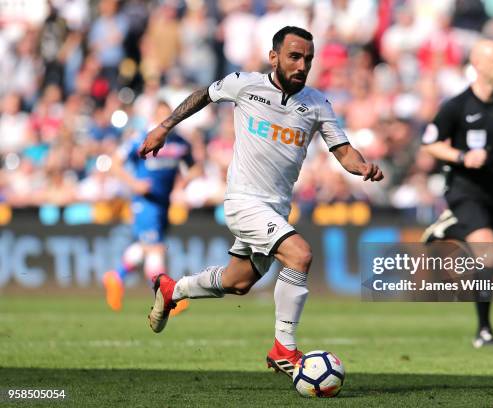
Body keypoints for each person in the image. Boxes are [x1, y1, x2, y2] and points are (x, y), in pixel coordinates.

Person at [138, 26, 384, 377]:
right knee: (300, 254)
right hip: (243, 202)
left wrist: (361, 166)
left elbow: (342, 150)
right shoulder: (245, 84)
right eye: (294, 57)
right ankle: (284, 348)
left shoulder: (316, 104)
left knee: (238, 282)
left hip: (276, 208)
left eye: (308, 59)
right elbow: (204, 95)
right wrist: (164, 126)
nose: (302, 65)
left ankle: (173, 288)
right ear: (274, 57)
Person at [420, 39, 493, 348]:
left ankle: (449, 228)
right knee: (488, 253)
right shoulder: (457, 106)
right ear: (478, 64)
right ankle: (484, 331)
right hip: (464, 189)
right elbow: (430, 142)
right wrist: (460, 157)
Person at [103, 101, 201, 313]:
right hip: (145, 202)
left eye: (169, 118)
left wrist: (181, 185)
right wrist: (134, 184)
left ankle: (116, 276)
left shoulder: (180, 143)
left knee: (146, 246)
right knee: (155, 248)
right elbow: (115, 164)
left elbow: (194, 169)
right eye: (161, 117)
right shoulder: (140, 139)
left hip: (164, 203)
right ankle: (167, 296)